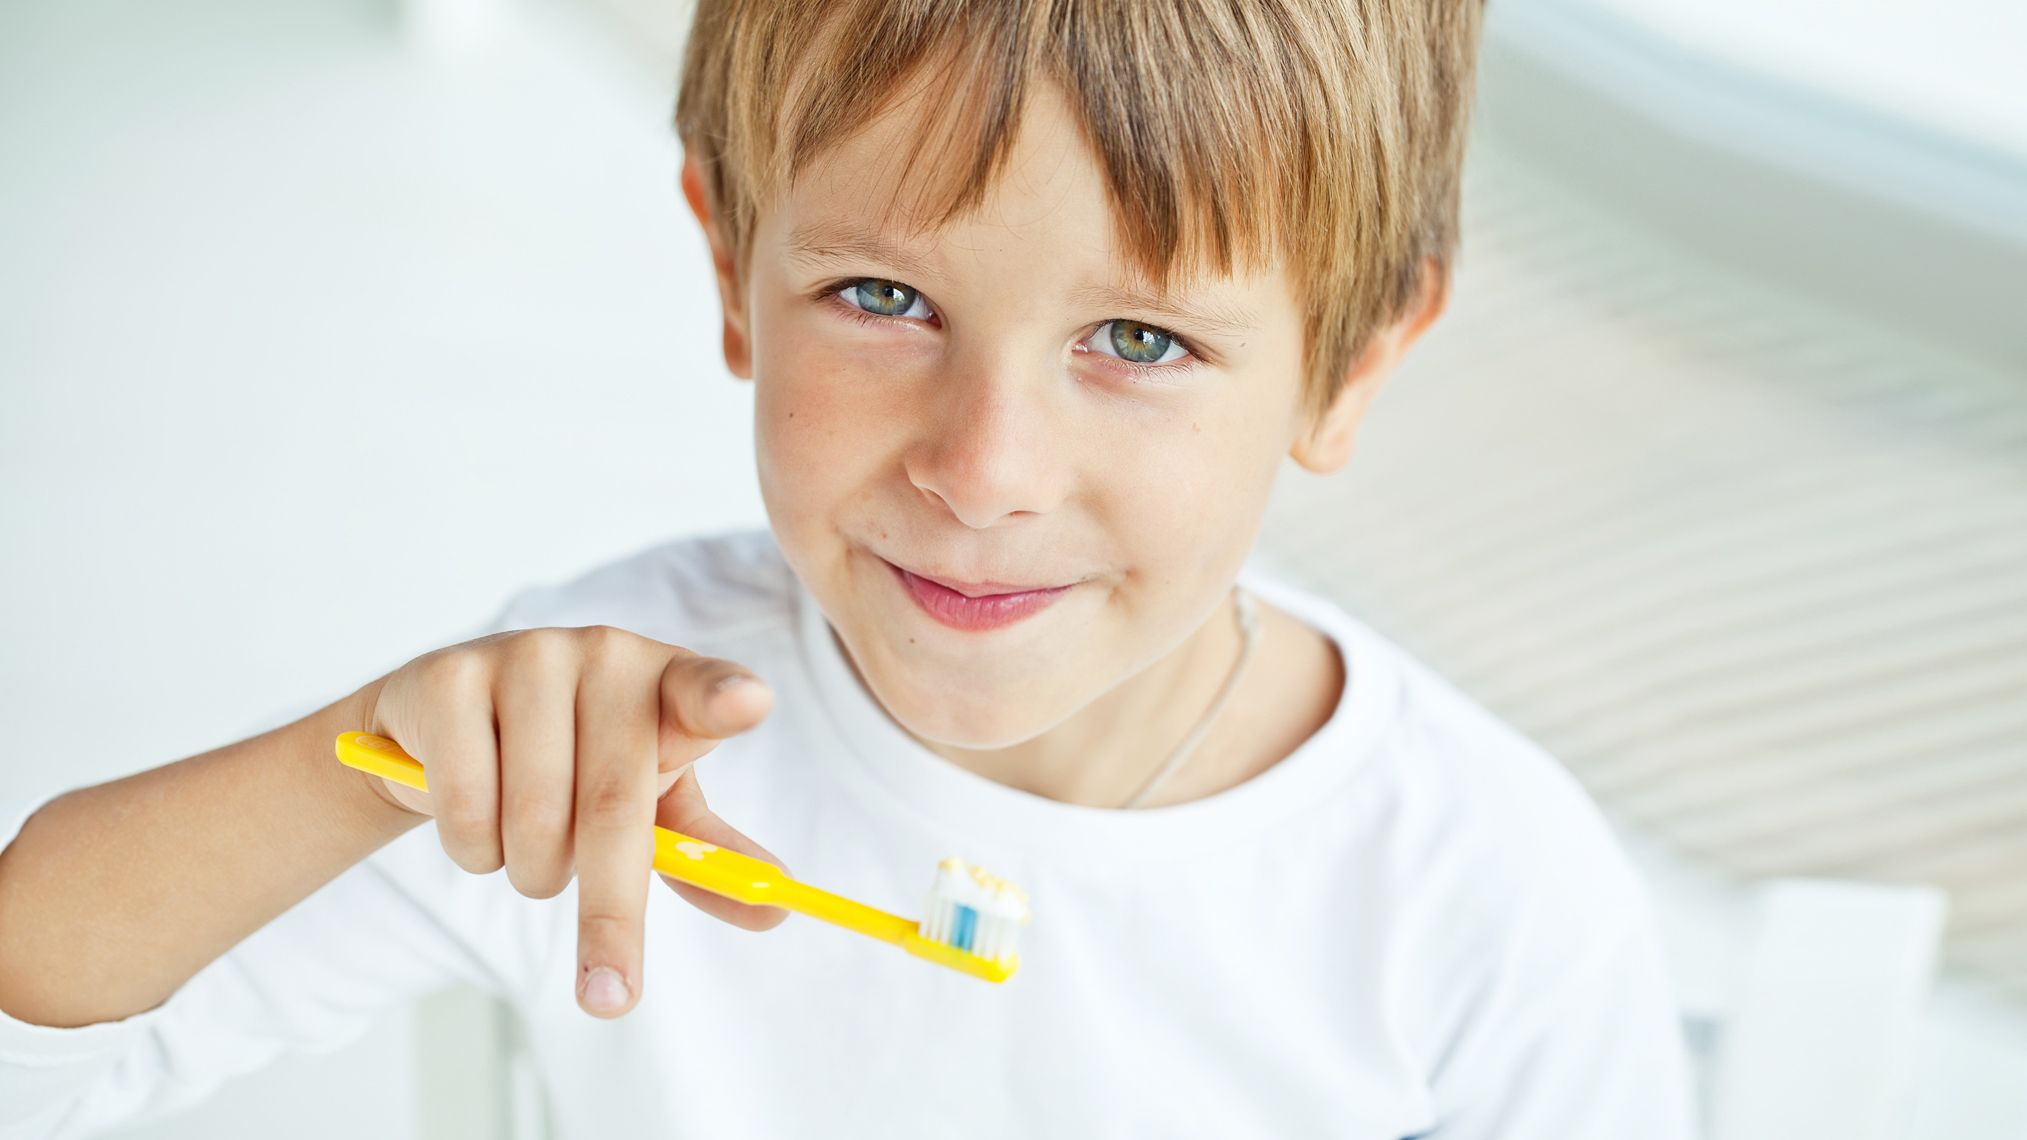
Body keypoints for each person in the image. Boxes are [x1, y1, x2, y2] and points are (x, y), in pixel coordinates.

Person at [0, 1, 1694, 1135]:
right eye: (883, 301)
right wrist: (359, 761)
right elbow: (37, 1041)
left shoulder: (1482, 893)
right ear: (733, 271)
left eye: (1138, 337)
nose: (983, 469)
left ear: (1352, 368)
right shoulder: (591, 746)